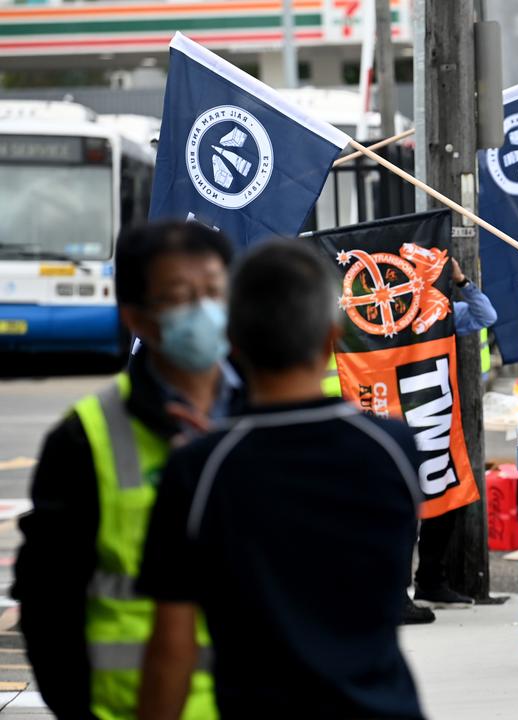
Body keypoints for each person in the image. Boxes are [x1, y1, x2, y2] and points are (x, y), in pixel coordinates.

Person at [136, 239, 424, 718]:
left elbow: (171, 649)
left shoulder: (200, 471)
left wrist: (212, 452)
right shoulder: (392, 448)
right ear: (331, 334)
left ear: (233, 340)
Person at [13, 221, 238, 720]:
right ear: (137, 318)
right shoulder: (84, 439)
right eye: (182, 297)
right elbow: (46, 600)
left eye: (215, 292)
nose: (205, 310)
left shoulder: (269, 417)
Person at [411, 257, 497, 612]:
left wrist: (462, 281)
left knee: (445, 501)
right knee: (400, 508)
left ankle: (430, 581)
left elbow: (485, 317)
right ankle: (395, 592)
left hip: (431, 417)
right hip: (388, 417)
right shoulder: (374, 315)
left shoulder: (438, 312)